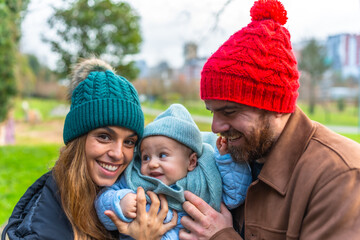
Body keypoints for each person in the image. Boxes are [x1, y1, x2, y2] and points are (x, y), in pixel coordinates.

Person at [178, 0, 360, 239]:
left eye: (229, 111)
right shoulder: (230, 156)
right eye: (212, 111)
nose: (215, 127)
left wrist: (221, 236)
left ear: (276, 107)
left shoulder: (340, 176)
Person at [2, 58, 177, 240]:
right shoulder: (45, 229)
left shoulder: (125, 191)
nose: (117, 153)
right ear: (78, 138)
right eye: (104, 137)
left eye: (129, 142)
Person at [96, 103, 230, 239]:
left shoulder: (203, 181)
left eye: (163, 155)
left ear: (191, 162)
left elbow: (234, 195)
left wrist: (227, 161)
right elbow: (102, 204)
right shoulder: (136, 180)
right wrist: (119, 202)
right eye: (146, 157)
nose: (152, 164)